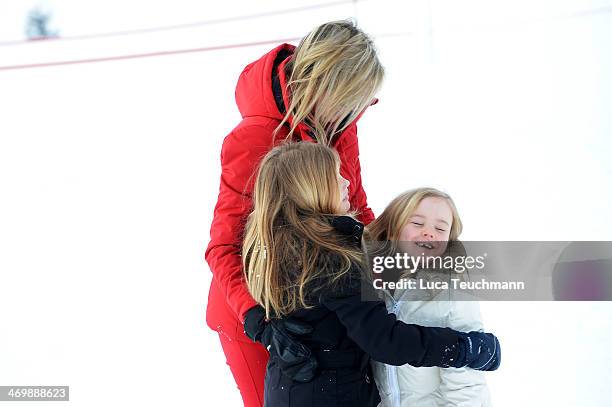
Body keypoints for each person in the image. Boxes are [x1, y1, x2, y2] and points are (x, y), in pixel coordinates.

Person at [205, 20, 384, 406]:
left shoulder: (338, 124)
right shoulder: (254, 139)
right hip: (255, 315)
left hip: (322, 305)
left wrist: (388, 263)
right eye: (348, 99)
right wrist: (260, 323)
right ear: (322, 83)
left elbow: (357, 208)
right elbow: (223, 248)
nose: (353, 114)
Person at [242, 142, 500, 407]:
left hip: (286, 390)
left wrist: (259, 323)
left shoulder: (282, 247)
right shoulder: (332, 258)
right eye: (335, 176)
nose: (346, 183)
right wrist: (462, 348)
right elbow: (384, 340)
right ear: (312, 188)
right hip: (332, 396)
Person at [366, 188, 494, 406]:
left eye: (440, 228)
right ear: (393, 229)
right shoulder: (372, 286)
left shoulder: (451, 291)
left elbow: (465, 380)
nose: (429, 232)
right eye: (417, 223)